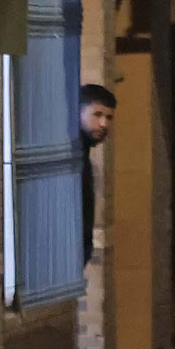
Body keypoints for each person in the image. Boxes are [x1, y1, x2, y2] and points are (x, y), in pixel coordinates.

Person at [79, 84, 117, 267]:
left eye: (109, 117)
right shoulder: (68, 156)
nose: (104, 124)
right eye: (97, 114)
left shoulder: (81, 154)